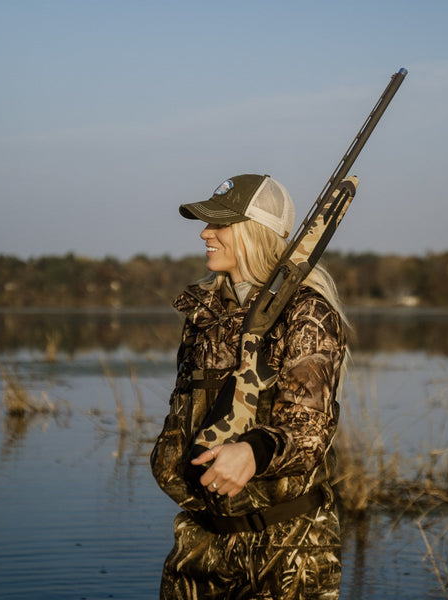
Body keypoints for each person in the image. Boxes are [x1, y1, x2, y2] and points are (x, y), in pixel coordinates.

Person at [151, 174, 348, 599]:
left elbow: (310, 431)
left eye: (220, 224)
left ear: (255, 232)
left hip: (287, 546)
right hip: (200, 541)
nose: (205, 233)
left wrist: (253, 450)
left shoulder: (307, 313)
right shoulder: (203, 315)